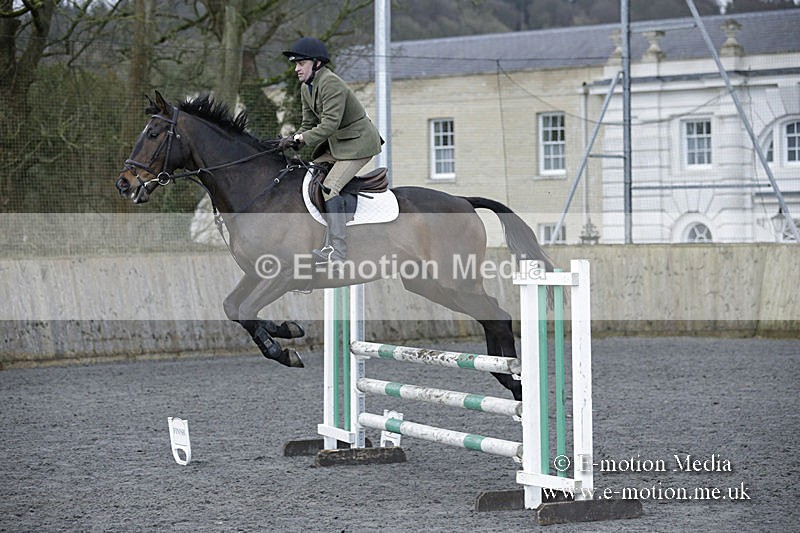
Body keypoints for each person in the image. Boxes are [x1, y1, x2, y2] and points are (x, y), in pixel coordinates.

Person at [279, 37, 383, 264]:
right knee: (310, 178)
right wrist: (293, 139)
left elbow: (329, 125)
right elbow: (307, 125)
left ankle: (338, 251)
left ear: (316, 63)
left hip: (358, 144)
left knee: (329, 187)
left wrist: (302, 138)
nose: (296, 68)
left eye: (301, 63)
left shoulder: (331, 84)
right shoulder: (306, 87)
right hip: (338, 144)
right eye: (295, 64)